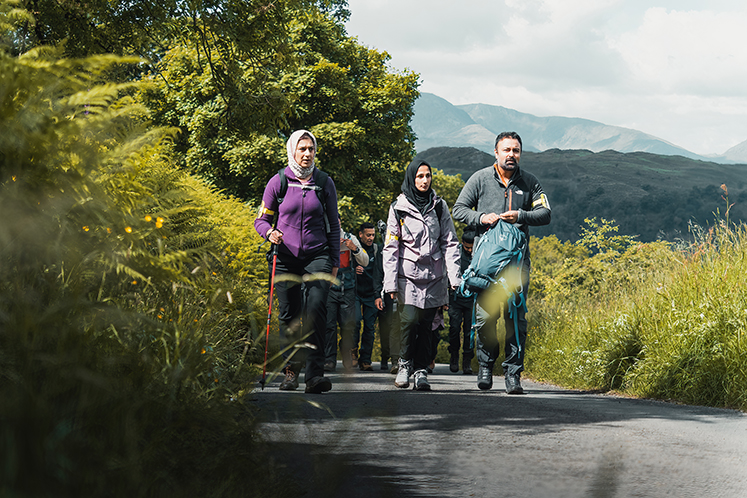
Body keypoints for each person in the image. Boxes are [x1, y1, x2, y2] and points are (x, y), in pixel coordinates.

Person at [452, 131, 551, 394]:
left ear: (520, 153)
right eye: (506, 150)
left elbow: (545, 213)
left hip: (517, 265)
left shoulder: (529, 182)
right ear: (496, 152)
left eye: (516, 150)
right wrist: (482, 218)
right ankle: (485, 366)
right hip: (486, 263)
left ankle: (513, 374)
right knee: (486, 317)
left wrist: (521, 214)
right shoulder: (480, 179)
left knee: (515, 319)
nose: (511, 155)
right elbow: (458, 209)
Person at [254, 129, 340, 394]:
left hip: (318, 255)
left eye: (311, 149)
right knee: (289, 315)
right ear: (292, 150)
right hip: (285, 257)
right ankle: (290, 373)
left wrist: (335, 261)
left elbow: (334, 225)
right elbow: (261, 220)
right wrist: (269, 232)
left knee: (316, 310)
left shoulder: (324, 182)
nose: (307, 154)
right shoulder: (278, 181)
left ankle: (315, 376)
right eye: (302, 149)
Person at [383, 159, 460, 391]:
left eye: (427, 176)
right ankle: (404, 364)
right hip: (407, 277)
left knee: (428, 326)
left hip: (434, 277)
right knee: (408, 322)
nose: (424, 180)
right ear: (411, 178)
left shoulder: (439, 206)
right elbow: (390, 247)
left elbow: (450, 241)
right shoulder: (398, 208)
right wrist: (390, 283)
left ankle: (421, 371)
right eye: (419, 176)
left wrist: (454, 277)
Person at [324, 217, 368, 372]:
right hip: (329, 289)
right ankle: (329, 360)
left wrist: (354, 248)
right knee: (329, 326)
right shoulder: (323, 237)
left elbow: (365, 260)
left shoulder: (351, 238)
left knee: (348, 325)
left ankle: (346, 355)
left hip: (348, 288)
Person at [352, 222, 382, 371]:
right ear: (361, 235)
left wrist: (379, 294)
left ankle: (365, 360)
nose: (371, 238)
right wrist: (353, 268)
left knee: (370, 328)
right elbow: (345, 266)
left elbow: (381, 272)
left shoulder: (377, 250)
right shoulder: (354, 249)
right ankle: (353, 353)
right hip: (356, 293)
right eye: (368, 235)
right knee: (356, 322)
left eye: (373, 235)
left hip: (372, 294)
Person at [448, 227, 476, 374]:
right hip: (455, 298)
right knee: (454, 329)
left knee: (469, 332)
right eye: (467, 247)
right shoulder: (456, 254)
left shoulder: (478, 254)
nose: (469, 250)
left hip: (472, 299)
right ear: (462, 243)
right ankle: (453, 356)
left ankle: (467, 361)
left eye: (471, 248)